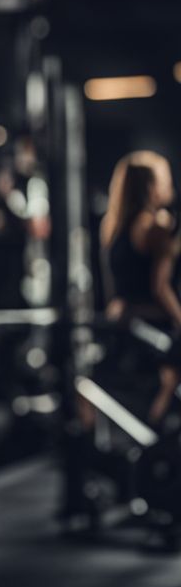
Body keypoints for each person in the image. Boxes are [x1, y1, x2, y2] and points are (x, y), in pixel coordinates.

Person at [99, 150, 181, 425]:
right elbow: (160, 287)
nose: (170, 184)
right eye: (165, 178)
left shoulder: (112, 225)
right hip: (153, 325)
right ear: (149, 186)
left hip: (122, 321)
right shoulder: (155, 226)